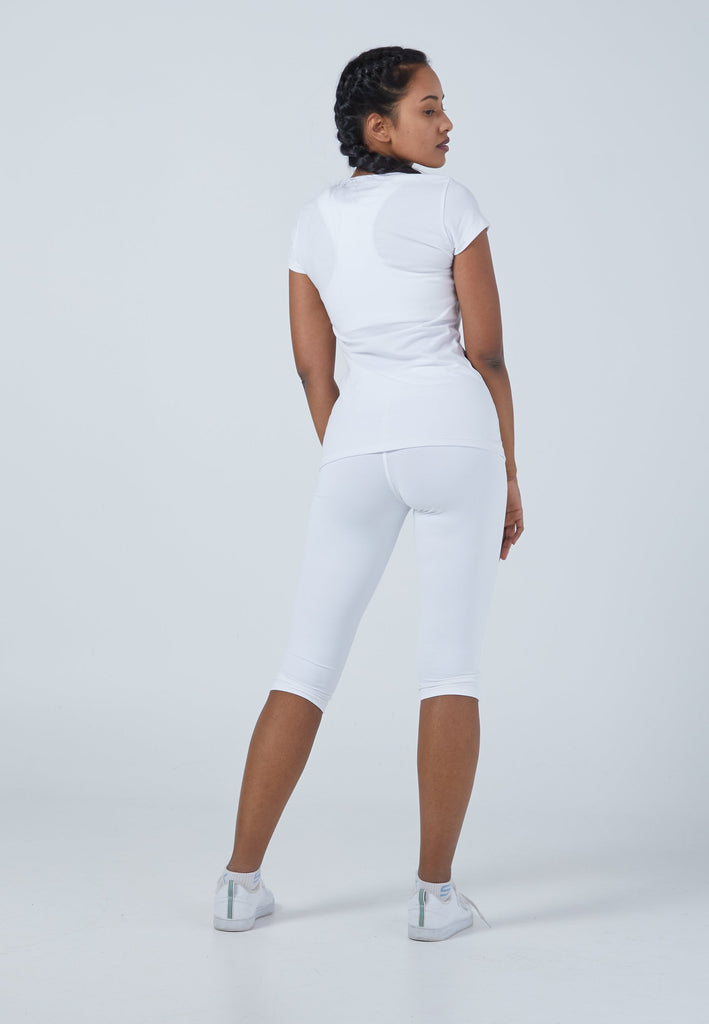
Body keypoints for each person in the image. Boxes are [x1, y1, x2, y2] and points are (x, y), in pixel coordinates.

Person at [213, 45, 524, 942]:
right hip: (454, 433)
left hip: (354, 443)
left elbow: (313, 370)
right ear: (377, 127)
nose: (447, 123)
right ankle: (432, 898)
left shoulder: (312, 221)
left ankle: (238, 885)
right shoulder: (450, 203)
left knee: (304, 667)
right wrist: (507, 470)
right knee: (448, 666)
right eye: (429, 108)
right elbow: (486, 352)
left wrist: (356, 451)